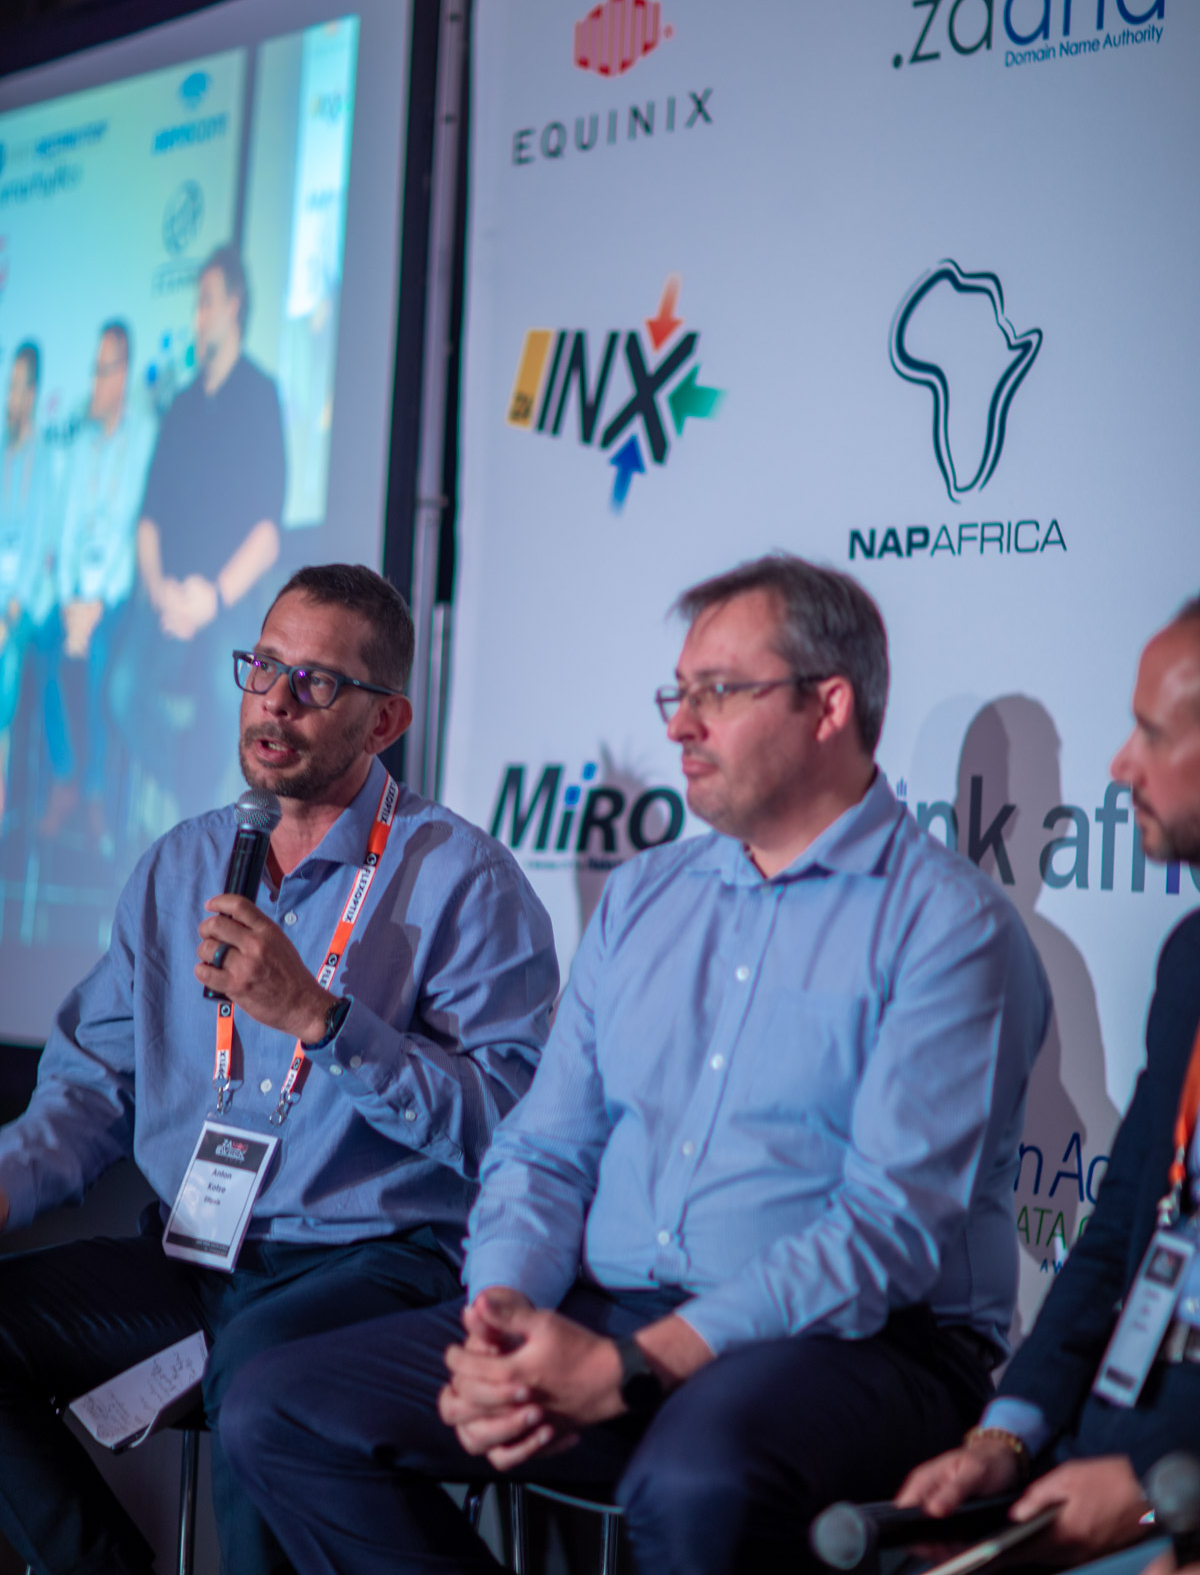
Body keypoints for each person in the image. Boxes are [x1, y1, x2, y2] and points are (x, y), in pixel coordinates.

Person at [222, 553, 1050, 1575]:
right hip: (614, 1314)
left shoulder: (947, 925)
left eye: (718, 693)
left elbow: (886, 1233)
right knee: (277, 1408)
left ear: (829, 707)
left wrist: (631, 1367)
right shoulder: (646, 896)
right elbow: (545, 1150)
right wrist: (502, 1317)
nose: (680, 726)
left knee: (693, 1479)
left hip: (864, 1343)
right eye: (678, 693)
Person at [0, 561, 558, 1575]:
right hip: (195, 1256)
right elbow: (89, 1089)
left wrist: (322, 1019)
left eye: (317, 683)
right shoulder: (180, 865)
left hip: (372, 1264)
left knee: (264, 1381)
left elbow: (510, 1127)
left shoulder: (465, 881)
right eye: (263, 667)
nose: (276, 702)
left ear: (385, 722)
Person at [898, 596, 1200, 1571]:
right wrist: (1006, 1435)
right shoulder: (1189, 959)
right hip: (1106, 1454)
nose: (1120, 766)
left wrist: (1160, 1490)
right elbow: (1117, 1232)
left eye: (1153, 734)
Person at [110, 244, 286, 817]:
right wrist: (161, 590)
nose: (198, 316)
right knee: (124, 687)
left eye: (207, 302)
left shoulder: (260, 396)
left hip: (223, 601)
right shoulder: (181, 407)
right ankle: (194, 797)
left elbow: (267, 534)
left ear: (234, 305)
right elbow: (148, 521)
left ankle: (202, 808)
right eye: (196, 305)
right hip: (168, 602)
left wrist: (209, 598)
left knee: (221, 682)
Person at [37, 321, 155, 843]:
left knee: (102, 660)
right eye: (94, 370)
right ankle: (65, 777)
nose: (95, 382)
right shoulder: (82, 443)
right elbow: (65, 530)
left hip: (115, 595)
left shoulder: (142, 436)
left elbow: (132, 528)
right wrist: (69, 604)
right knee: (42, 646)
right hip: (75, 598)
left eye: (104, 371)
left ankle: (95, 792)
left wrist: (96, 605)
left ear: (123, 374)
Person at [0, 341, 54, 822]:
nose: (9, 397)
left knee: (10, 650)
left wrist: (10, 611)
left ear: (33, 393)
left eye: (17, 387)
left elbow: (38, 550)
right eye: (8, 386)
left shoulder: (45, 459)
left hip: (25, 606)